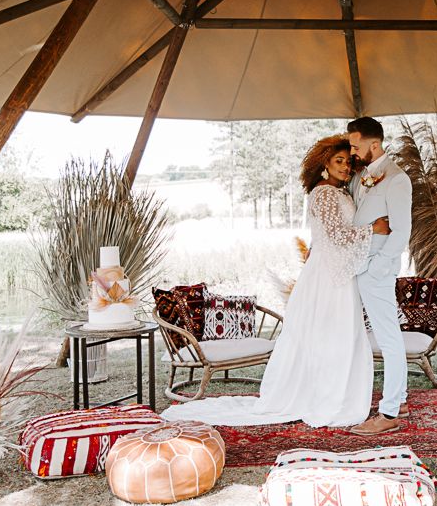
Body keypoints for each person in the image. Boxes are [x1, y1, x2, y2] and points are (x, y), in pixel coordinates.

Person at [161, 135, 390, 428]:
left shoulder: (339, 192)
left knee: (336, 334)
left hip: (333, 270)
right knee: (331, 334)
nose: (346, 167)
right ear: (325, 164)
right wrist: (373, 229)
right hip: (329, 276)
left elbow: (323, 237)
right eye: (339, 161)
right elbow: (337, 235)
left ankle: (334, 394)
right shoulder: (324, 194)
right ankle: (327, 398)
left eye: (348, 161)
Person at [346, 117, 413, 436]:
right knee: (382, 336)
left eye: (355, 145)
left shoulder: (397, 180)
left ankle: (388, 414)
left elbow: (402, 231)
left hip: (376, 270)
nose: (351, 151)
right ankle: (397, 400)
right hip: (358, 265)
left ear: (374, 145)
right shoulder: (360, 177)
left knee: (388, 338)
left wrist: (379, 267)